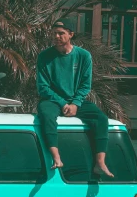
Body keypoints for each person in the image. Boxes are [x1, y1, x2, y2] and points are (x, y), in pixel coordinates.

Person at [36, 20, 113, 178]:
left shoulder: (83, 56)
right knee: (46, 115)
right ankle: (56, 157)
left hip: (76, 100)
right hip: (53, 100)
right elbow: (43, 87)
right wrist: (63, 103)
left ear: (71, 34)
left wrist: (75, 104)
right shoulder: (44, 56)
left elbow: (85, 85)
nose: (56, 36)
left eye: (61, 33)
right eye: (54, 33)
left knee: (101, 119)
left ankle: (100, 162)